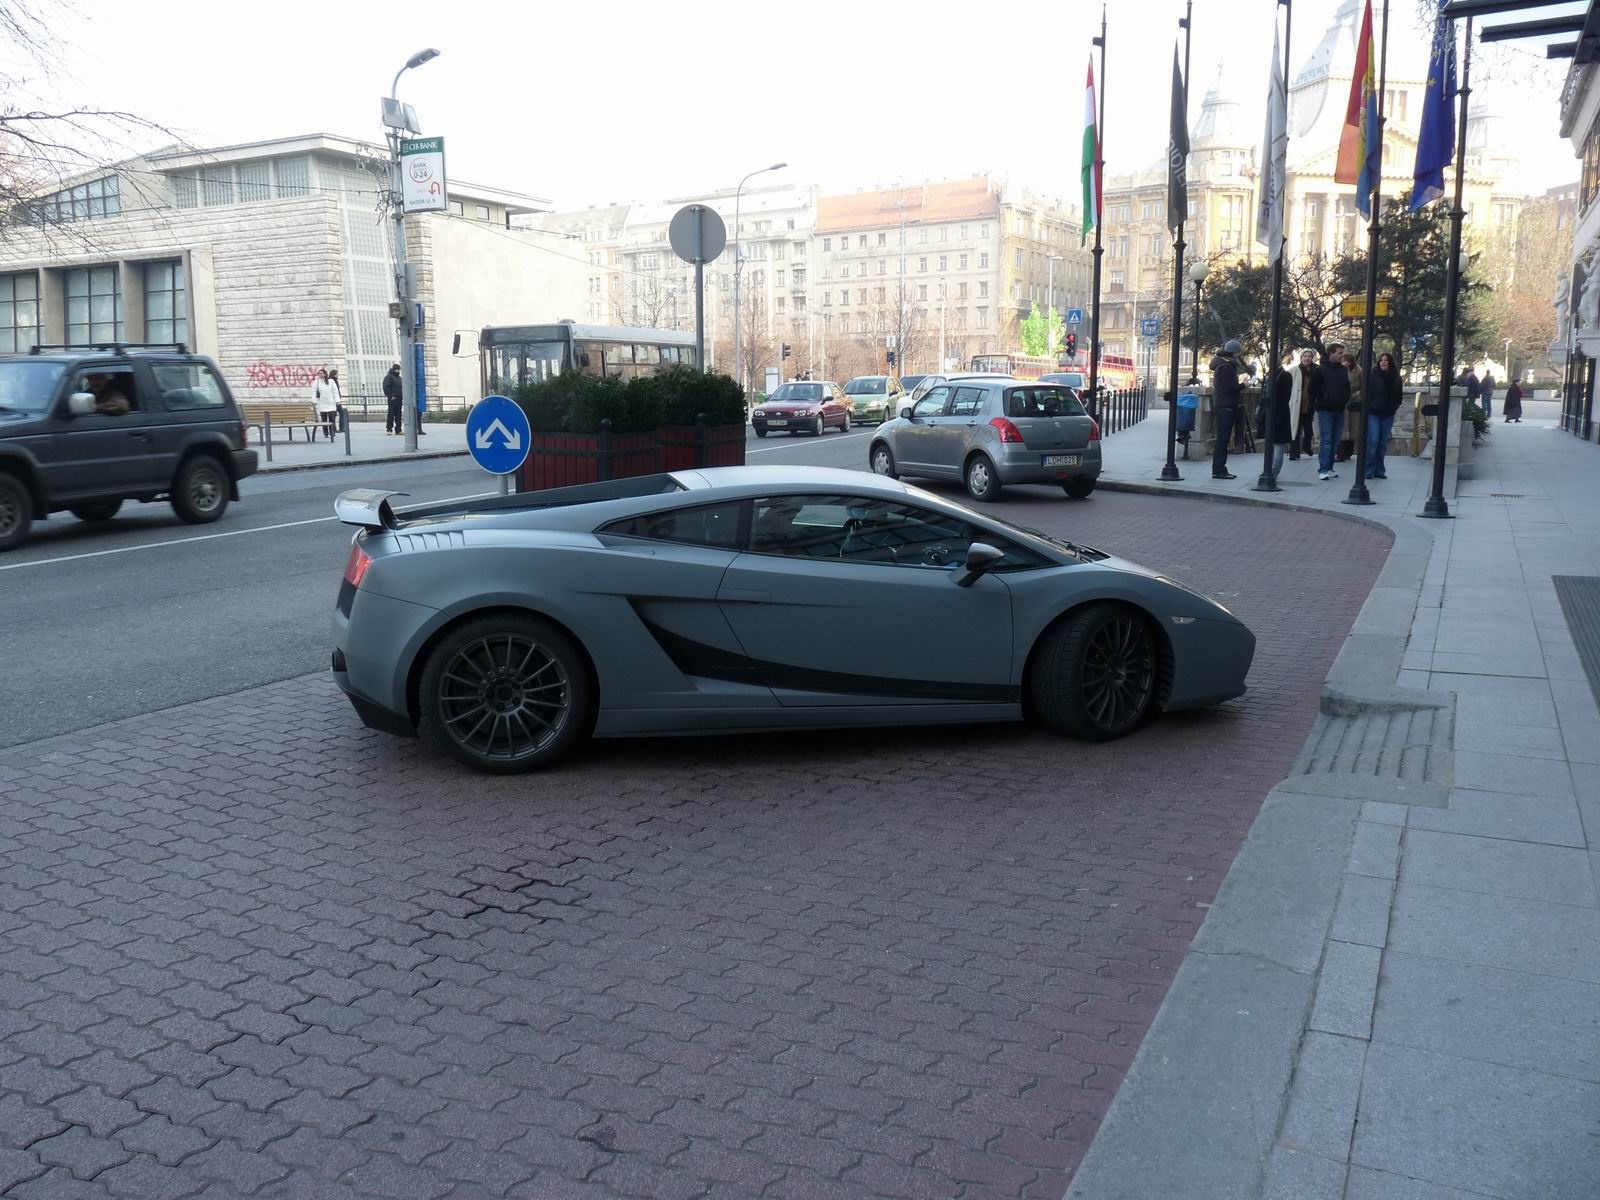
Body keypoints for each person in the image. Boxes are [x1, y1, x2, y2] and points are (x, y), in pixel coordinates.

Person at [1210, 338, 1245, 480]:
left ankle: (1219, 469)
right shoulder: (1226, 367)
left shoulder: (1220, 364)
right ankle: (1219, 469)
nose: (1239, 355)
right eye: (1238, 353)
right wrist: (1244, 385)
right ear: (1234, 353)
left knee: (1222, 439)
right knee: (1222, 439)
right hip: (1226, 406)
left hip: (1222, 405)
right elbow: (1229, 389)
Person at [1366, 352, 1403, 480]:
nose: (1383, 362)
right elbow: (1367, 393)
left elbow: (1399, 396)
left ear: (1390, 362)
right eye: (1381, 360)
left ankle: (1379, 470)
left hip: (1388, 414)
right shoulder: (1373, 376)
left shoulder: (1396, 378)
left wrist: (1394, 406)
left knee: (1382, 443)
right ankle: (1368, 469)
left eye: (1386, 360)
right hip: (1374, 413)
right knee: (1373, 441)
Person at [1316, 344, 1350, 480]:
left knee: (1335, 439)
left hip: (1339, 409)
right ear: (1331, 353)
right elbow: (1313, 388)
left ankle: (1329, 467)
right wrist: (1325, 398)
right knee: (1326, 439)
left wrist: (1344, 400)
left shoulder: (1343, 370)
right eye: (1339, 353)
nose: (1342, 355)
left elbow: (1347, 387)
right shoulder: (1321, 369)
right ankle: (1323, 468)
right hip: (1325, 410)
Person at [1267, 357, 1296, 479]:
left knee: (1278, 444)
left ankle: (1273, 472)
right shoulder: (1271, 375)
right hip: (1273, 414)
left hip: (1279, 414)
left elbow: (1285, 397)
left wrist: (1279, 415)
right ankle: (1270, 470)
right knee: (1273, 444)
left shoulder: (1284, 376)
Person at [313, 369, 339, 442]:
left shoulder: (331, 381)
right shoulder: (316, 382)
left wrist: (337, 401)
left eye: (321, 373)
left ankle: (332, 432)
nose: (320, 375)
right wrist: (314, 401)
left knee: (332, 418)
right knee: (324, 419)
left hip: (331, 403)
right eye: (319, 373)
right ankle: (325, 432)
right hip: (322, 403)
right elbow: (313, 392)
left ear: (325, 374)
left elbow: (335, 391)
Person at [383, 364, 403, 435]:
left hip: (399, 398)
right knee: (391, 414)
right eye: (397, 369)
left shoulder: (399, 378)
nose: (398, 371)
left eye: (399, 369)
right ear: (394, 369)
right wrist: (391, 396)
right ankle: (389, 429)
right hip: (392, 399)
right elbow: (386, 387)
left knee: (398, 415)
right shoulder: (389, 377)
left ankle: (398, 430)